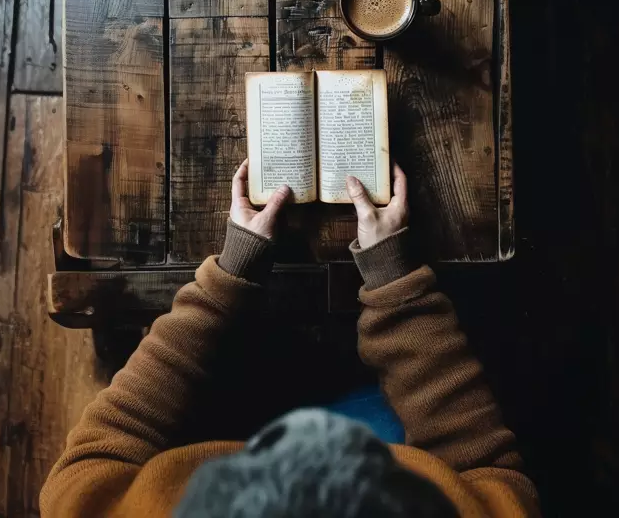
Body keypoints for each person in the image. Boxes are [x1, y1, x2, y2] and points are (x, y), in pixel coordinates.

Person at [40, 161, 539, 517]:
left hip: (220, 423)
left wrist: (229, 274)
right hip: (377, 433)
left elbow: (95, 457)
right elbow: (486, 468)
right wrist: (394, 277)